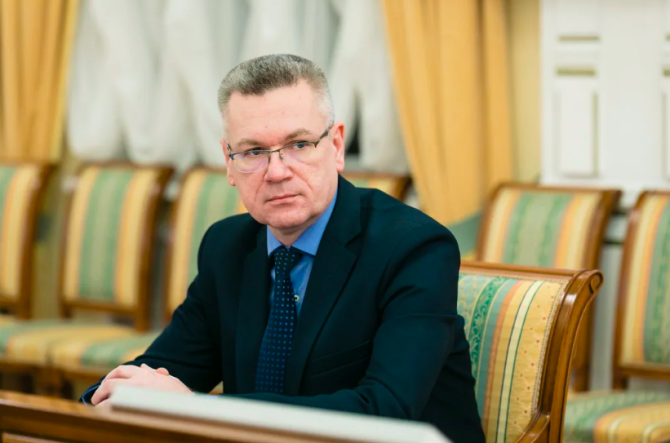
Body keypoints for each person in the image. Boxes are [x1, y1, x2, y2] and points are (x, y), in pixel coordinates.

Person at [81, 54, 484, 443]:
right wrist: (107, 398)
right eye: (253, 152)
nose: (277, 172)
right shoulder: (227, 247)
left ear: (336, 146)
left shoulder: (413, 248)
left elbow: (385, 410)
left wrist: (197, 408)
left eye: (299, 145)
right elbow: (166, 368)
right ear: (229, 162)